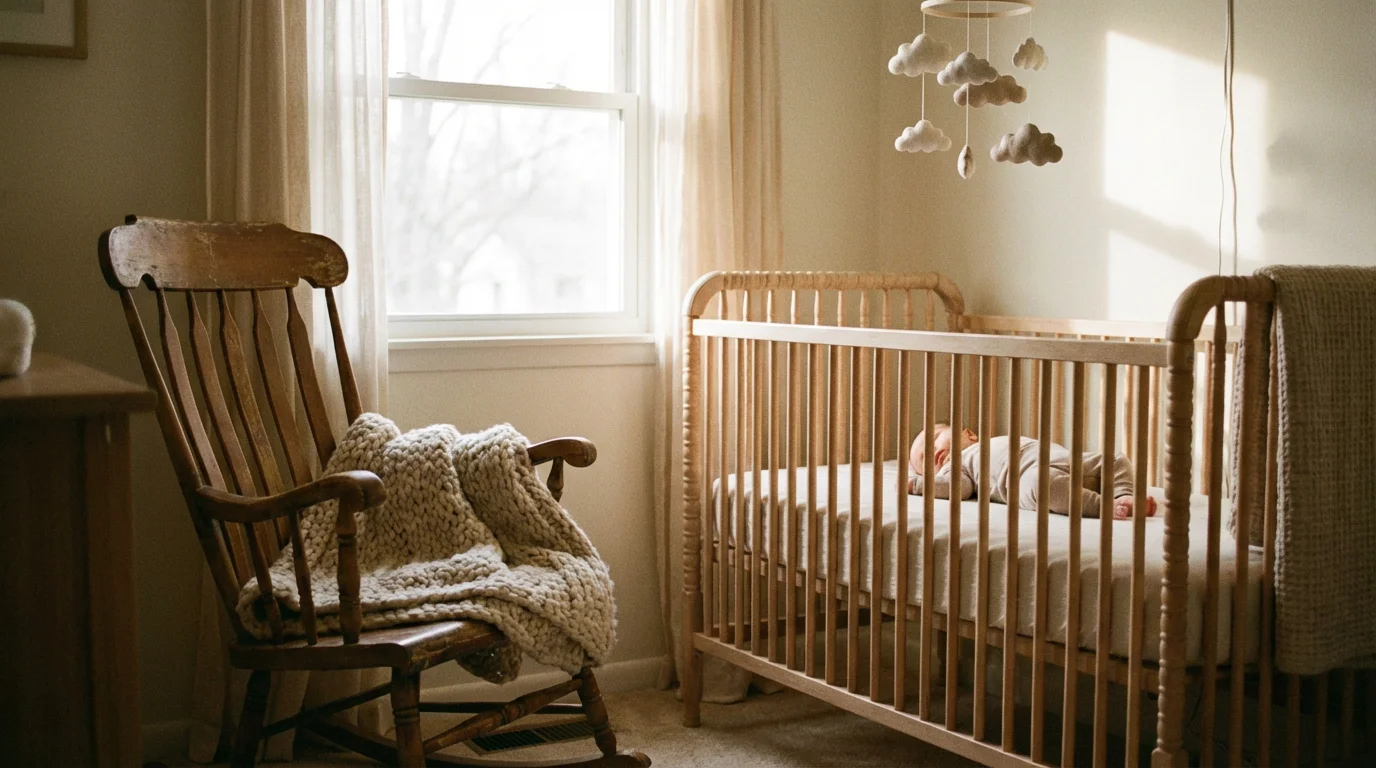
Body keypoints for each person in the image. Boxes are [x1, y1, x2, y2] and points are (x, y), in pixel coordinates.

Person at [907, 424, 1157, 519]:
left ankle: (1123, 495)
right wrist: (917, 485)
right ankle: (1104, 506)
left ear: (969, 433)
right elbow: (959, 489)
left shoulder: (990, 441)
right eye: (923, 460)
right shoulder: (958, 466)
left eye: (935, 439)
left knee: (1114, 459)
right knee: (1043, 484)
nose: (930, 453)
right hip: (1026, 478)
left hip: (1060, 457)